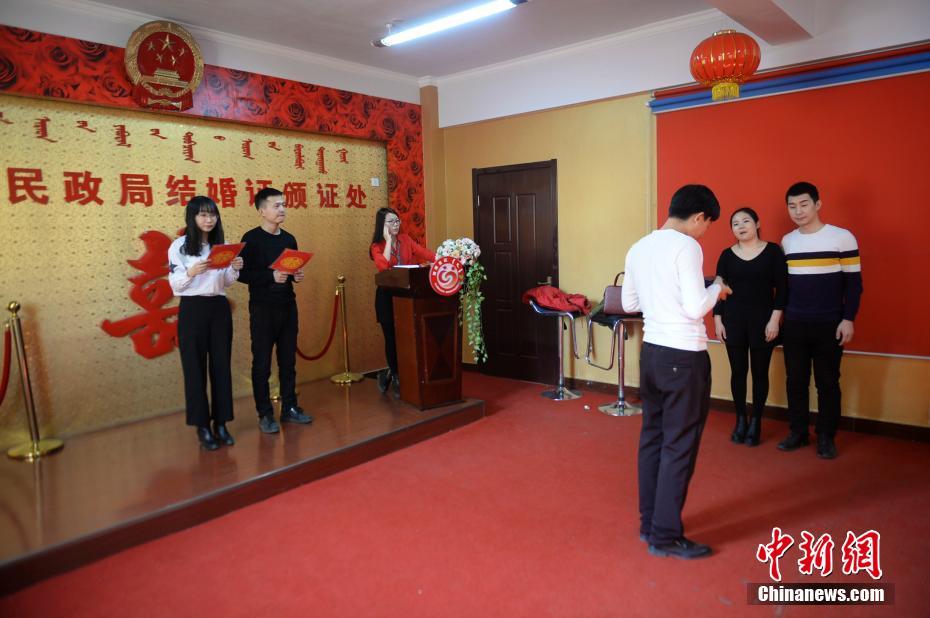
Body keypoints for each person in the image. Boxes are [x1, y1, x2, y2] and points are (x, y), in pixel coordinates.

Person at [622, 184, 732, 560]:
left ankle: (648, 523)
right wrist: (716, 288)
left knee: (652, 438)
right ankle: (665, 536)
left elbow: (628, 302)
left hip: (651, 353)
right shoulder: (687, 246)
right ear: (699, 216)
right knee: (679, 445)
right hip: (683, 357)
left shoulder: (639, 246)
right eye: (708, 224)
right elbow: (693, 307)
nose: (705, 232)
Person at [779, 182, 862, 459]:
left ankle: (826, 436)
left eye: (804, 204)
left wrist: (848, 318)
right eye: (792, 206)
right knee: (795, 381)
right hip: (794, 323)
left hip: (830, 323)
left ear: (818, 204)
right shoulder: (788, 242)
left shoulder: (842, 238)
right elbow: (785, 287)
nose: (798, 211)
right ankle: (798, 432)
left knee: (828, 382)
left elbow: (854, 284)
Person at [168, 196, 243, 451]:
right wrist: (190, 273)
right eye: (202, 214)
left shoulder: (220, 246)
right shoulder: (179, 246)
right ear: (192, 217)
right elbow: (175, 285)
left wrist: (235, 268)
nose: (208, 219)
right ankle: (202, 426)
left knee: (221, 365)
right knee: (194, 367)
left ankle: (221, 423)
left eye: (212, 214)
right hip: (192, 309)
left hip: (218, 307)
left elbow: (225, 282)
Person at [238, 187, 313, 434]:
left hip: (287, 306)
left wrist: (296, 276)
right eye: (276, 205)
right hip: (262, 308)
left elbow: (290, 270)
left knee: (288, 361)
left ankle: (290, 407)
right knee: (262, 363)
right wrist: (271, 276)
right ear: (262, 211)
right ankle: (265, 413)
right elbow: (242, 274)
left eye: (283, 204)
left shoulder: (288, 239)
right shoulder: (251, 238)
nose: (282, 209)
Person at [713, 208, 788, 447]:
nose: (741, 226)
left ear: (757, 223)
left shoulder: (773, 252)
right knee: (737, 373)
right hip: (733, 320)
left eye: (746, 221)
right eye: (735, 223)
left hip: (764, 322)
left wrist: (775, 320)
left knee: (759, 373)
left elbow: (783, 290)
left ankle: (756, 422)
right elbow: (718, 289)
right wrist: (717, 319)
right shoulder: (726, 255)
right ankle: (740, 421)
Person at [369, 207, 435, 394]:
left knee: (405, 337)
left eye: (397, 221)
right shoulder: (377, 246)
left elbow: (426, 253)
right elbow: (384, 267)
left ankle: (392, 374)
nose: (396, 225)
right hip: (386, 298)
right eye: (391, 222)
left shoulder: (406, 240)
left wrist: (446, 259)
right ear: (382, 225)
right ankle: (396, 376)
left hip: (405, 297)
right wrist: (389, 241)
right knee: (391, 339)